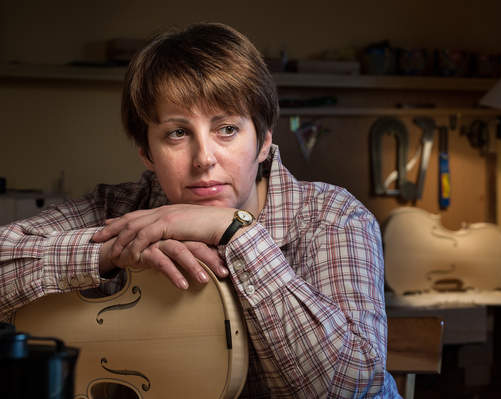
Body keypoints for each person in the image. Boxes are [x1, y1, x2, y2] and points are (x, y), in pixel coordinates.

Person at [0, 23, 400, 398]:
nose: (204, 159)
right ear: (147, 153)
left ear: (263, 142)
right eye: (177, 133)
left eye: (227, 129)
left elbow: (352, 384)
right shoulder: (120, 208)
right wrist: (112, 250)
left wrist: (235, 232)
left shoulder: (333, 216)